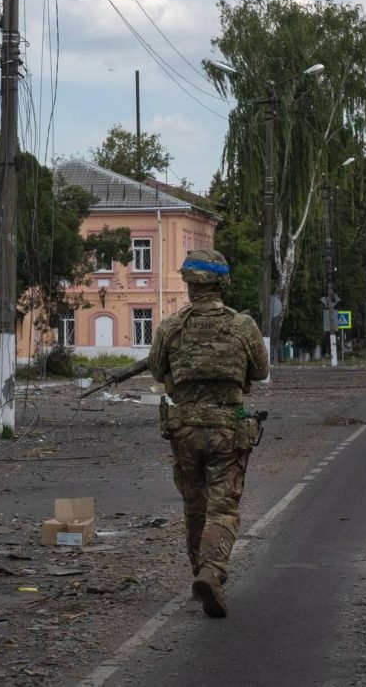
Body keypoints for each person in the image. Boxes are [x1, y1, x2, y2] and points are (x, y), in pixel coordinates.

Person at [148, 248, 269, 617]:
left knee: (194, 507)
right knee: (224, 508)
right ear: (222, 283)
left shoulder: (170, 326)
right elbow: (261, 371)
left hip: (183, 430)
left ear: (188, 284)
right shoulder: (242, 325)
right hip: (227, 431)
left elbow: (156, 371)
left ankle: (199, 574)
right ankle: (212, 572)